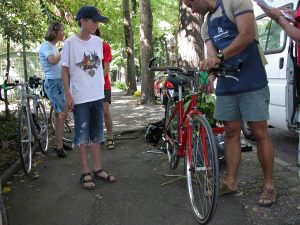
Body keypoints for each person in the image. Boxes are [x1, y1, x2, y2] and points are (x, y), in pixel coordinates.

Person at [183, 0, 276, 206]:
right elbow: (211, 56)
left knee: (259, 132)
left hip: (251, 78)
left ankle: (269, 185)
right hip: (227, 83)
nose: (190, 9)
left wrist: (219, 56)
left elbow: (247, 34)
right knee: (231, 132)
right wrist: (209, 77)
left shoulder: (236, 1)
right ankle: (231, 182)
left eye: (189, 3)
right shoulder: (207, 24)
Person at [61, 6, 116, 190]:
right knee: (82, 135)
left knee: (97, 134)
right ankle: (86, 171)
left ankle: (97, 168)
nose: (96, 24)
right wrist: (68, 93)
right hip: (80, 97)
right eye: (94, 21)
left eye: (98, 21)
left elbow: (98, 68)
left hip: (97, 95)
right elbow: (65, 68)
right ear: (83, 21)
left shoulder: (98, 41)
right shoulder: (70, 43)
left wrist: (101, 89)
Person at [39, 22, 72, 158]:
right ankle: (59, 146)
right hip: (52, 83)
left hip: (58, 82)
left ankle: (59, 142)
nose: (64, 33)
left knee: (60, 114)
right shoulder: (45, 46)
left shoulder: (53, 46)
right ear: (55, 32)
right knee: (62, 113)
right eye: (62, 31)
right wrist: (64, 49)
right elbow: (52, 60)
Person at [94, 27, 115, 150]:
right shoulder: (85, 48)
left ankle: (110, 137)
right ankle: (97, 137)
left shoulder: (104, 46)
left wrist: (97, 81)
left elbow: (106, 68)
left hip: (103, 85)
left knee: (105, 111)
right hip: (88, 87)